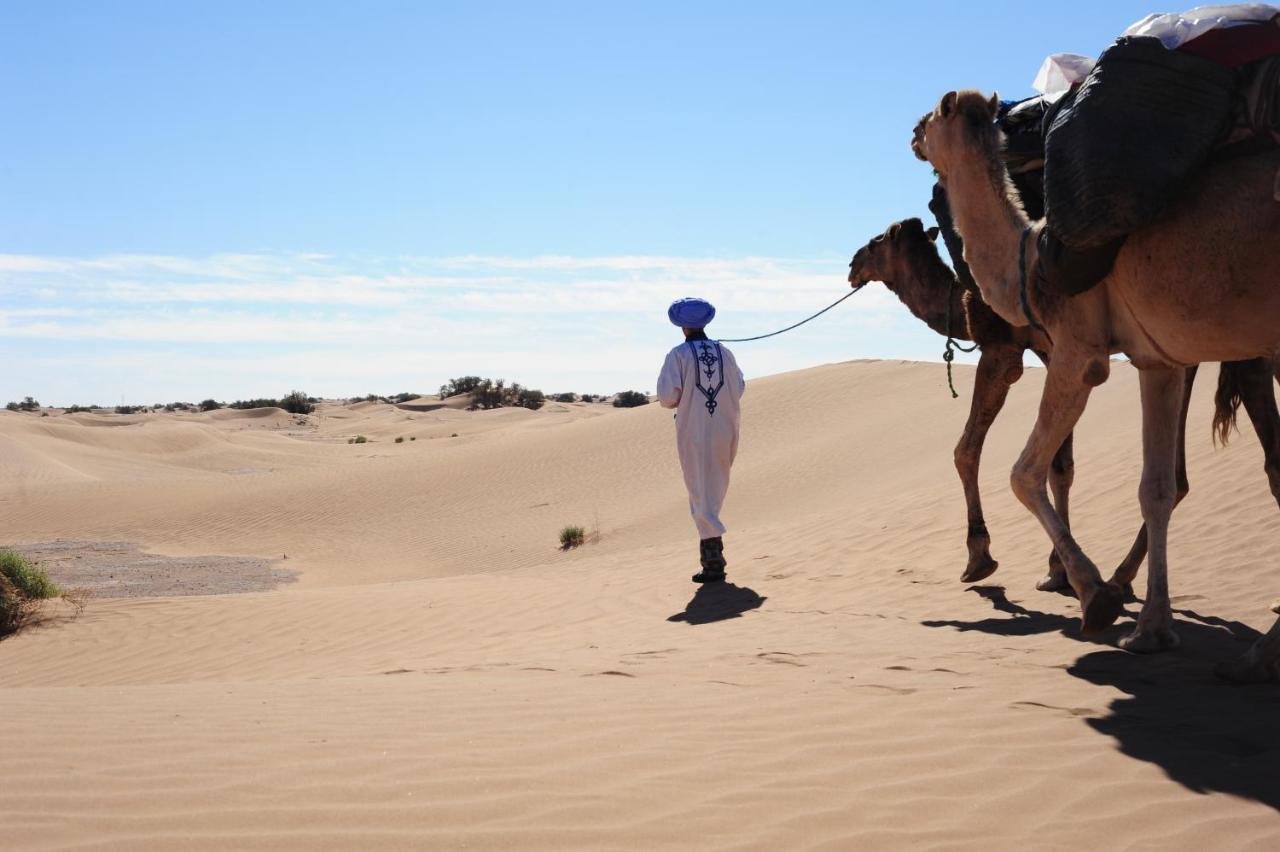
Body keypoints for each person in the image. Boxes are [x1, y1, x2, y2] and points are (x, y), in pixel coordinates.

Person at [656, 297, 746, 583]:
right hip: (725, 428)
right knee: (714, 488)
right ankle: (713, 559)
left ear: (682, 326)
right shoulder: (725, 352)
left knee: (700, 491)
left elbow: (668, 397)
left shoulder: (678, 355)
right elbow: (739, 386)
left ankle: (713, 563)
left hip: (694, 430)